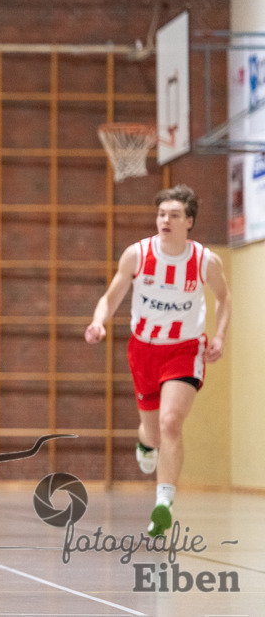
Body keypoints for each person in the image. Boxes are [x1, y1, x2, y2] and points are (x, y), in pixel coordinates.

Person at [85, 184, 230, 538]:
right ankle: (145, 444)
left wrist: (221, 335)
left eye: (174, 215)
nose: (166, 220)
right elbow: (111, 295)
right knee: (152, 431)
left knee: (170, 423)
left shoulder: (205, 261)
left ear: (189, 221)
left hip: (184, 349)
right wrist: (97, 321)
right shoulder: (138, 255)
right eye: (162, 214)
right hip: (144, 350)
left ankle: (163, 503)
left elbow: (224, 300)